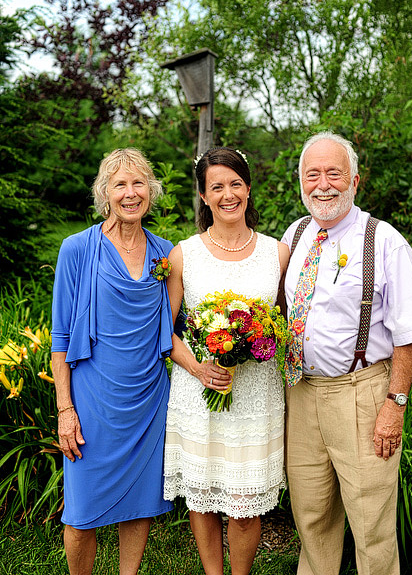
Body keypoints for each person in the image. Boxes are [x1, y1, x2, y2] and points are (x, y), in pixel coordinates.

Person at [281, 131, 412, 575]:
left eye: (334, 173)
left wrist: (395, 404)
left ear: (355, 180)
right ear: (301, 183)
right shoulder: (295, 235)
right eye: (313, 174)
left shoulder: (385, 241)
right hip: (302, 393)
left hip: (362, 394)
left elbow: (409, 334)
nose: (323, 184)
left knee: (371, 524)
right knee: (311, 516)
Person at [163, 147, 290, 575]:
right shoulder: (183, 255)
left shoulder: (278, 253)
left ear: (249, 190)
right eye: (216, 186)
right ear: (203, 195)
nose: (228, 194)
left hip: (256, 398)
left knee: (244, 502)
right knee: (202, 494)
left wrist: (261, 340)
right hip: (199, 392)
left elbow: (288, 323)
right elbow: (166, 331)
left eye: (235, 183)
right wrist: (200, 368)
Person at [51, 148, 174, 575]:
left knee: (138, 504)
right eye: (119, 184)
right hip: (92, 401)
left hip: (148, 398)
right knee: (81, 513)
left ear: (151, 191)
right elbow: (61, 339)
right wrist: (66, 410)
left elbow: (177, 327)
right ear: (105, 193)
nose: (130, 193)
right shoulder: (77, 250)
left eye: (138, 183)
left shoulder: (165, 254)